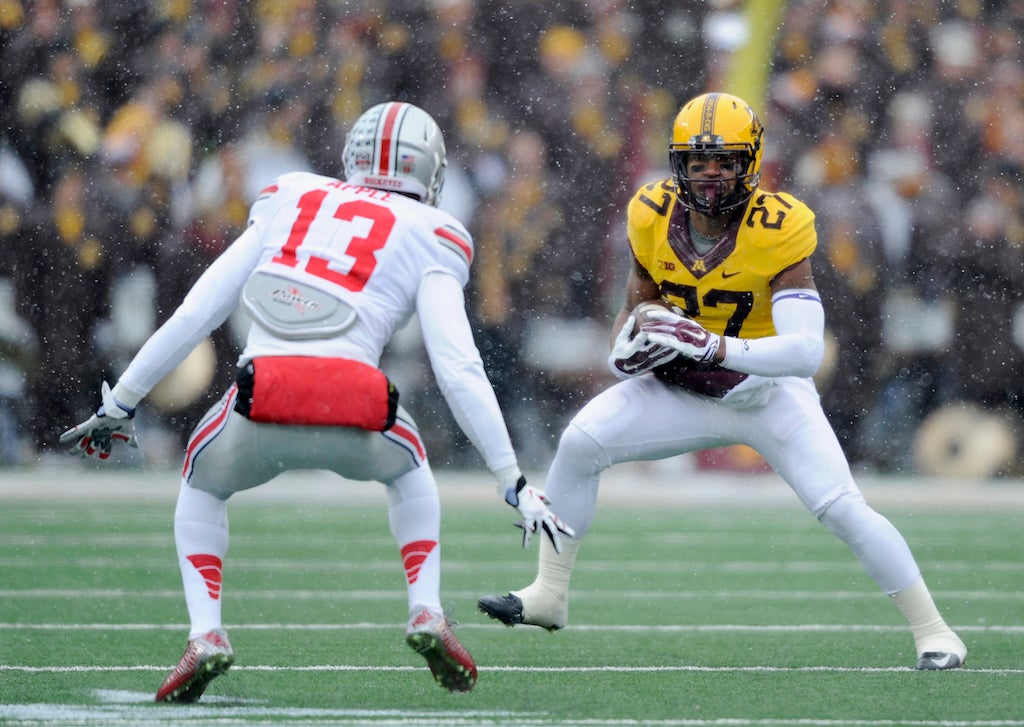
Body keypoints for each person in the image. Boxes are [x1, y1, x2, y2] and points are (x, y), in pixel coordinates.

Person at [59, 101, 574, 702]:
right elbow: (457, 365)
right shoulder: (434, 232)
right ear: (429, 172)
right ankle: (426, 610)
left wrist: (121, 402)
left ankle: (206, 633)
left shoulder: (292, 194)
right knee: (412, 473)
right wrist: (511, 477)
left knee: (200, 483)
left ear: (353, 155)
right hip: (357, 404)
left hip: (261, 397)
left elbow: (199, 309)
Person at [478, 92, 967, 671]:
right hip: (683, 388)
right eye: (698, 161)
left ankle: (934, 632)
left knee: (841, 507)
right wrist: (625, 351)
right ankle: (549, 594)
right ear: (677, 163)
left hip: (764, 394)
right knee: (582, 440)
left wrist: (715, 345)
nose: (711, 175)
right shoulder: (651, 212)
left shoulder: (779, 225)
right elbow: (635, 309)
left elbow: (806, 351)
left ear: (751, 163)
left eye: (726, 161)